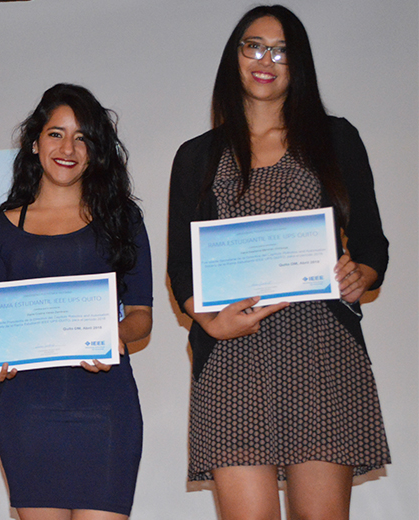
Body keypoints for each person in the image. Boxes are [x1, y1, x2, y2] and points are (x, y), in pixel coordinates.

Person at [166, 5, 390, 519]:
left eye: (282, 50)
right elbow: (183, 266)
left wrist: (363, 274)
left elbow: (372, 244)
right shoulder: (197, 156)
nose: (266, 59)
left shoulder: (336, 139)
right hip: (231, 355)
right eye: (254, 45)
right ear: (235, 56)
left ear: (298, 64)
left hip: (321, 349)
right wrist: (209, 320)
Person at [0, 83, 152, 520]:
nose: (68, 147)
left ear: (96, 150)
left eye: (82, 137)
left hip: (107, 407)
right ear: (35, 143)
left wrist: (113, 335)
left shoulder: (123, 218)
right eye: (56, 133)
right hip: (27, 412)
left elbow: (142, 317)